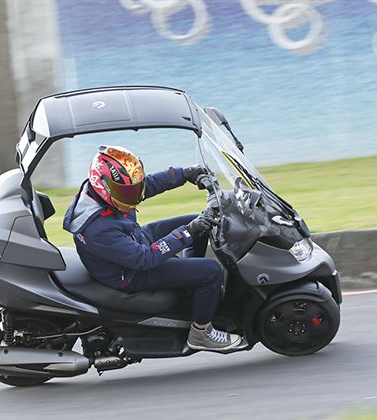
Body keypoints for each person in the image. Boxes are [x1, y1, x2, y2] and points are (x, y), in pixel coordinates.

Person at [63, 145, 246, 352]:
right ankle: (201, 333)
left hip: (132, 238)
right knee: (210, 271)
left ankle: (191, 285)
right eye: (128, 192)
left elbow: (145, 187)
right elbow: (144, 259)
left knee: (200, 223)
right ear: (103, 186)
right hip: (129, 272)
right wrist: (187, 232)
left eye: (134, 189)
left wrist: (185, 174)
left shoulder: (108, 192)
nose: (134, 197)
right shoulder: (98, 228)